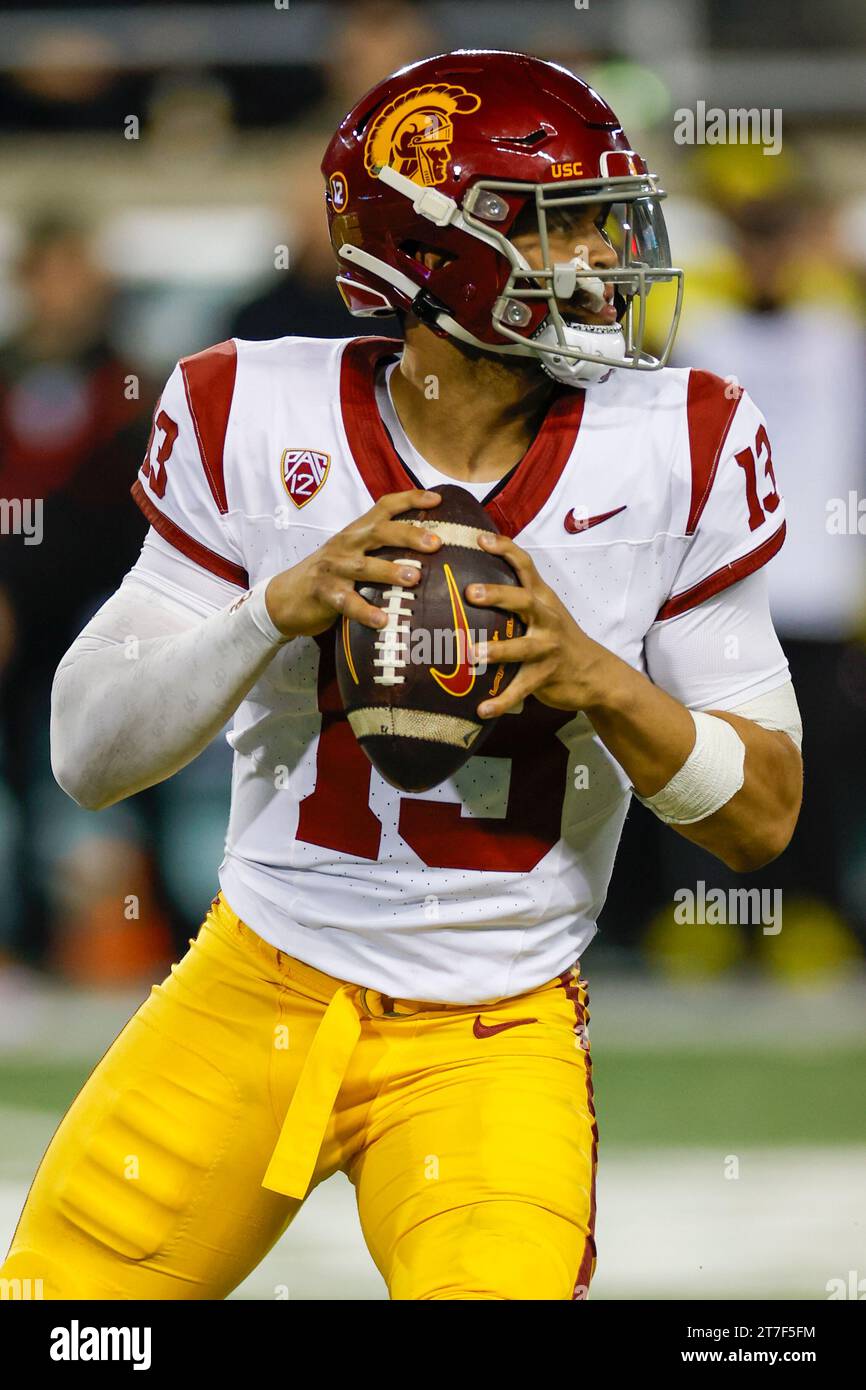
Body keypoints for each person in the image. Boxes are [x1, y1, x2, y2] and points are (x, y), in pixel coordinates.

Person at [1, 51, 803, 1301]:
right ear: (439, 256)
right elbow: (85, 755)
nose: (604, 256)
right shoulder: (250, 408)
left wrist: (599, 678)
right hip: (252, 980)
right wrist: (273, 607)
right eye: (562, 225)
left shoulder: (679, 443)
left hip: (494, 1027)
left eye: (603, 218)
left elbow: (761, 817)